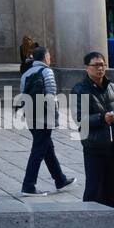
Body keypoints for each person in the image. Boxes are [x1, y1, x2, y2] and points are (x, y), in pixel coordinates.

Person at [71, 51, 114, 208]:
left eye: (102, 65)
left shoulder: (113, 88)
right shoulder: (80, 90)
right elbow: (80, 119)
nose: (100, 68)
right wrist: (101, 118)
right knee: (94, 190)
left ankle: (109, 224)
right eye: (96, 65)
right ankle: (89, 224)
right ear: (87, 68)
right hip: (95, 146)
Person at [19, 46, 75, 196]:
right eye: (49, 56)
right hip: (44, 117)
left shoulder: (26, 73)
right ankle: (28, 186)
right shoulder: (47, 71)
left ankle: (60, 180)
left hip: (30, 116)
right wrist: (55, 118)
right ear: (44, 57)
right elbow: (51, 96)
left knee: (47, 148)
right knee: (38, 150)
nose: (50, 58)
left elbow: (22, 95)